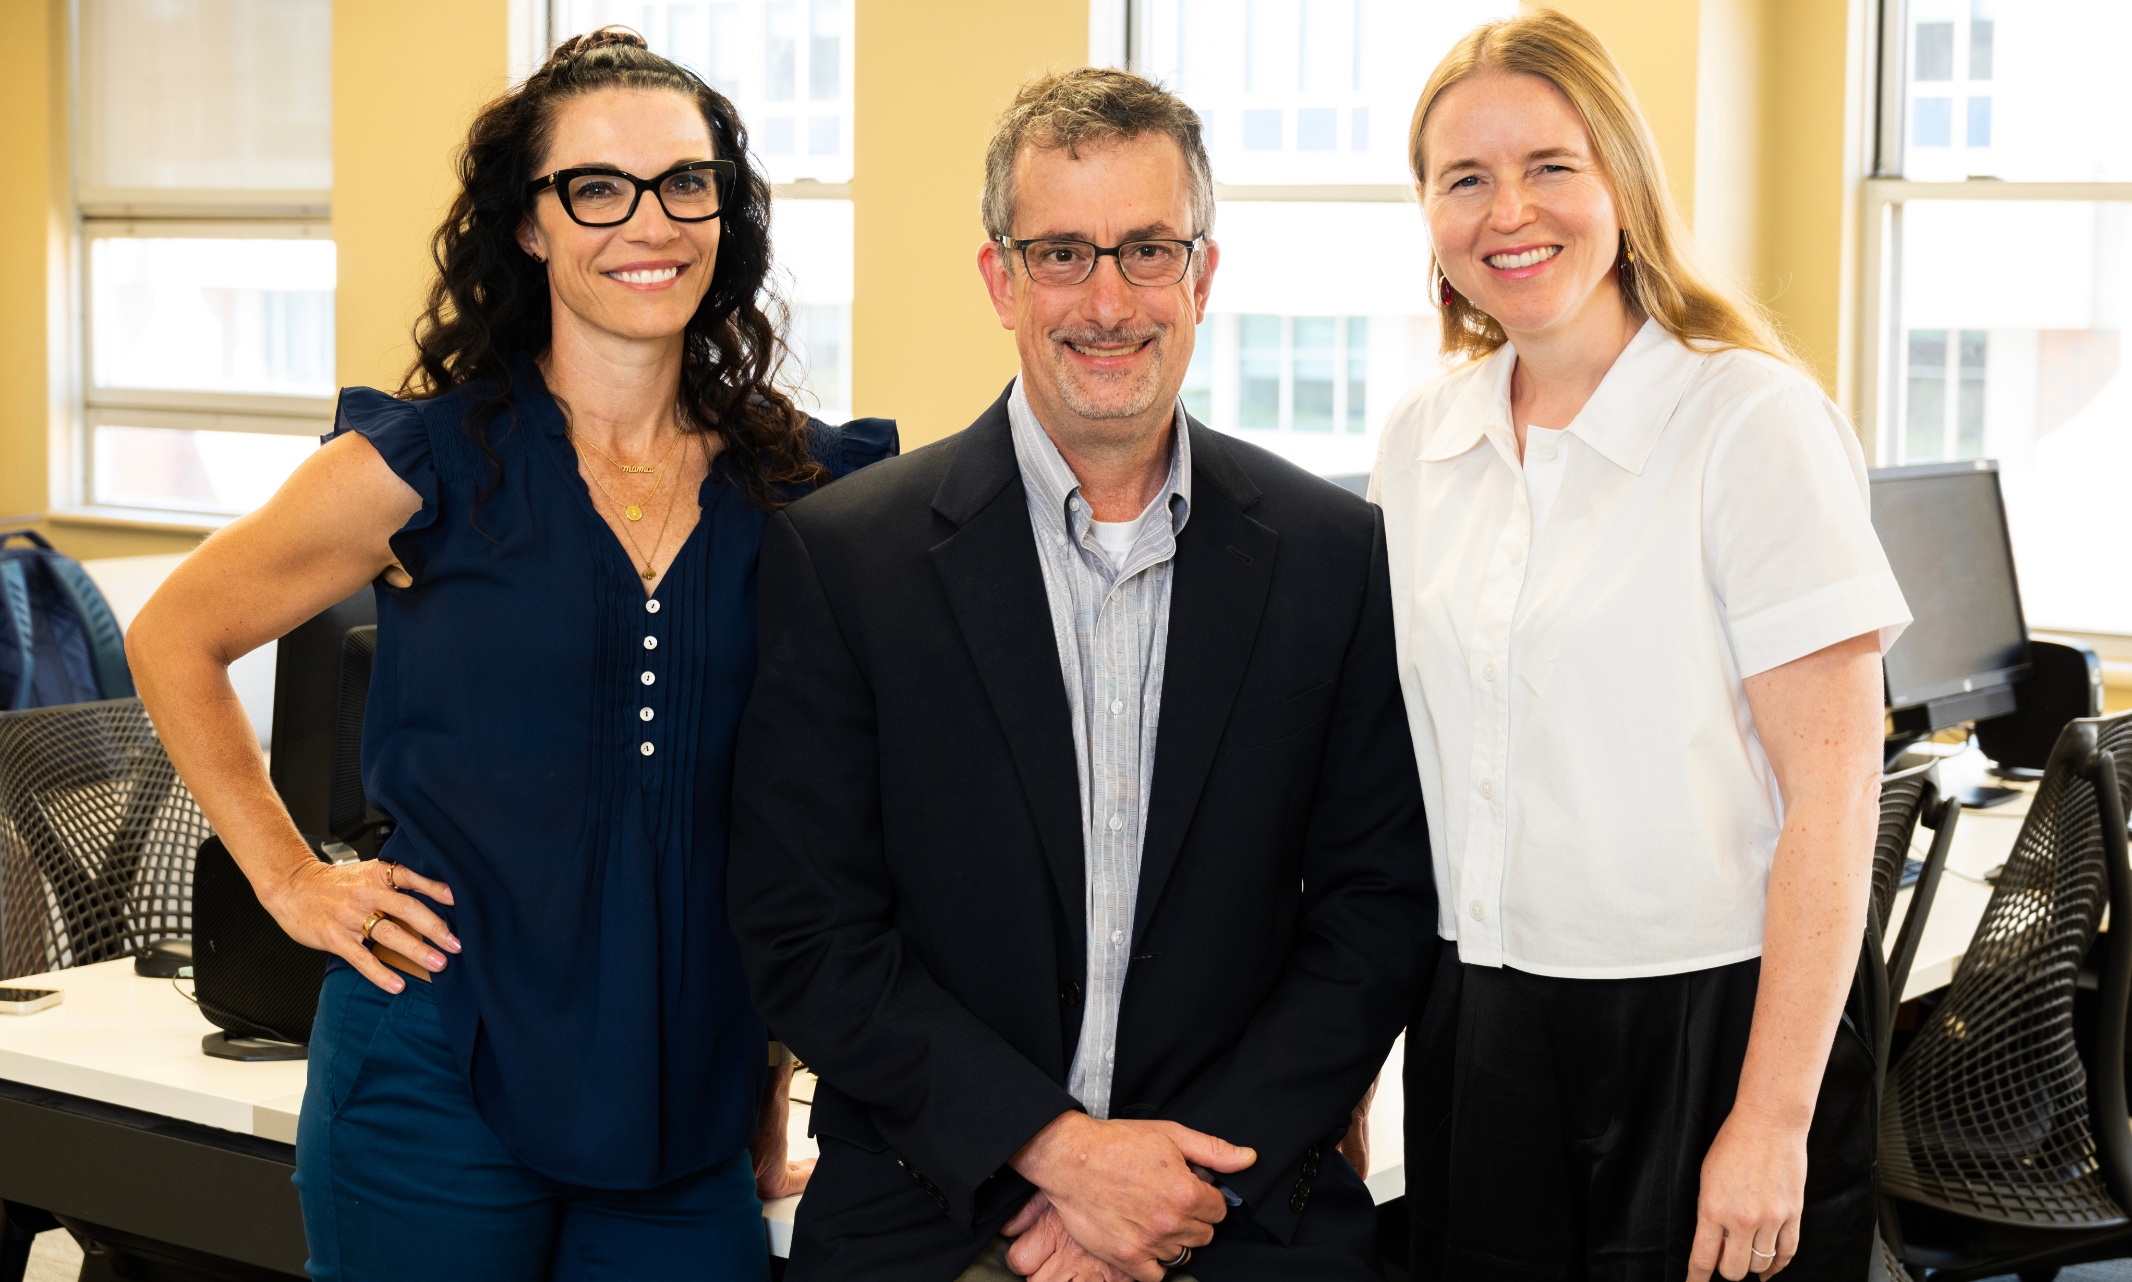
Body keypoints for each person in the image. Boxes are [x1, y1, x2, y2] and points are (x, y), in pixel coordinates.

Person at [125, 29, 894, 1281]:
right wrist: (289, 879)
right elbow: (175, 634)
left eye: (685, 183)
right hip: (431, 1072)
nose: (648, 222)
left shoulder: (799, 487)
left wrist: (770, 1072)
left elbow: (808, 813)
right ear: (530, 225)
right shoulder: (424, 467)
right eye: (597, 187)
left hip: (683, 1097)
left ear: (724, 211)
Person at [725, 68, 1434, 1282]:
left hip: (1239, 1219)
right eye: (1061, 253)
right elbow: (808, 932)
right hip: (932, 1218)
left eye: (1146, 250)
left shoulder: (1334, 554)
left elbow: (1374, 915)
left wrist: (1172, 1190)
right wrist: (1049, 1157)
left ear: (1202, 275)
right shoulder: (845, 557)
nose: (1107, 301)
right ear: (1000, 277)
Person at [1374, 12, 1911, 1282]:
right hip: (1477, 1018)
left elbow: (1833, 800)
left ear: (1620, 176)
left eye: (1550, 165)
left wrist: (1769, 1119)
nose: (1508, 210)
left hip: (1708, 1027)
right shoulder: (1419, 439)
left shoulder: (1746, 421)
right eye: (1464, 178)